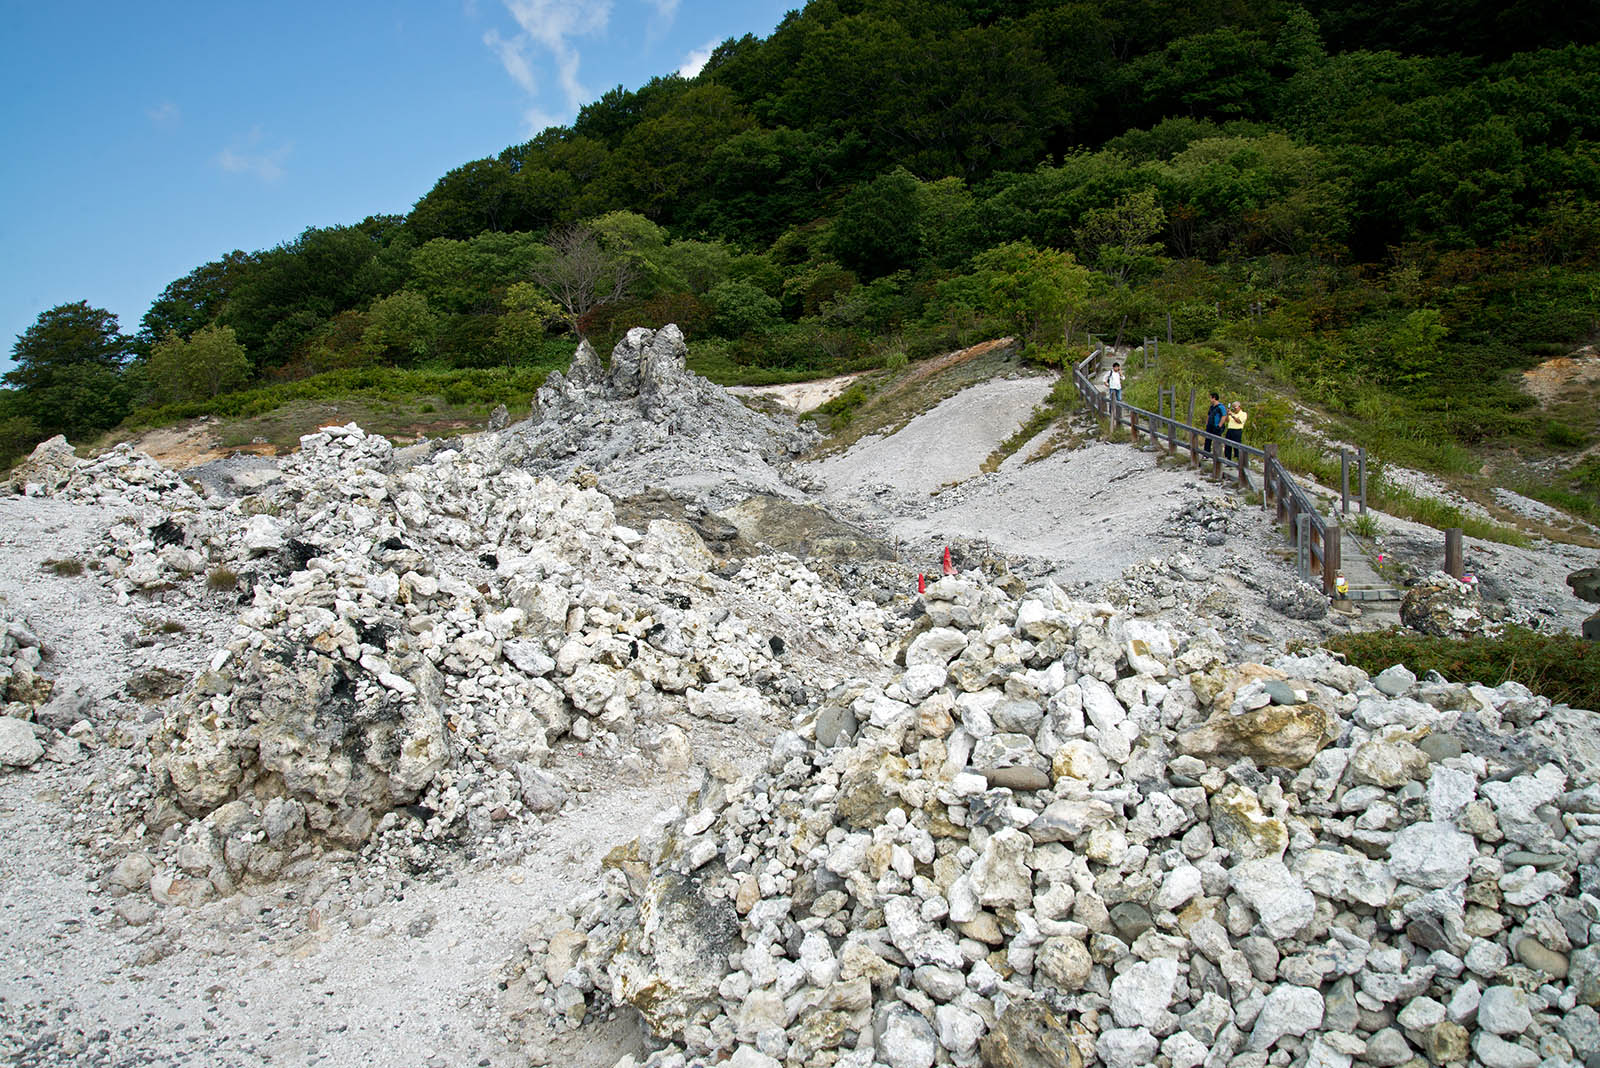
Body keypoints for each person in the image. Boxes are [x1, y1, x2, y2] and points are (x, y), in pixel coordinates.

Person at [1203, 391, 1226, 456]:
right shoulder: (1211, 407)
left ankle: (1217, 455)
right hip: (1210, 426)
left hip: (1216, 426)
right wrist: (1207, 423)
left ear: (1214, 398)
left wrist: (1219, 425)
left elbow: (1224, 416)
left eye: (1210, 398)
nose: (1210, 399)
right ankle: (1206, 454)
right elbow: (1209, 415)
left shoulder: (1221, 407)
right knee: (1207, 440)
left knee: (1217, 441)